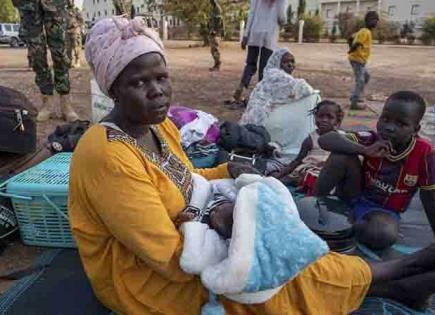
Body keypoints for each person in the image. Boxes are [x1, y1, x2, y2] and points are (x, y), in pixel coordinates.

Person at [70, 17, 435, 315]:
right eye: (139, 82)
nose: (157, 91)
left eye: (161, 77)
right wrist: (230, 233)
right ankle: (394, 273)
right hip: (145, 281)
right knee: (268, 281)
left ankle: (391, 280)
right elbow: (166, 258)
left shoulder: (157, 125)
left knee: (279, 247)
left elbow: (184, 179)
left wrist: (230, 172)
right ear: (112, 90)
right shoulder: (105, 155)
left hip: (188, 230)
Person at [315, 91, 435, 251]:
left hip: (382, 211)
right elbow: (325, 139)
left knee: (383, 233)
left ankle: (339, 224)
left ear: (415, 129)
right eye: (385, 119)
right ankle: (314, 205)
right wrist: (364, 150)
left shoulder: (424, 153)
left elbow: (429, 196)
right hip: (353, 194)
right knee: (341, 156)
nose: (389, 128)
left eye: (401, 124)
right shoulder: (372, 138)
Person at [11, 0, 79, 123]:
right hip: (28, 5)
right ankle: (47, 104)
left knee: (60, 53)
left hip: (55, 4)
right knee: (36, 56)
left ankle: (65, 104)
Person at [271, 100, 344, 190]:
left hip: (328, 170)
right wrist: (280, 174)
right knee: (285, 181)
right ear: (315, 117)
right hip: (310, 169)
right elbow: (298, 160)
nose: (324, 120)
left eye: (330, 117)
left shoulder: (342, 138)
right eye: (320, 116)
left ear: (337, 121)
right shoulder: (311, 139)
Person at [230, 0, 289, 107]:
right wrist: (283, 23)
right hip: (270, 34)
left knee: (250, 64)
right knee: (265, 68)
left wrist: (245, 35)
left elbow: (251, 14)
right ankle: (261, 96)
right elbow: (281, 17)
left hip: (254, 33)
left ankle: (241, 87)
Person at [239, 48, 315, 126]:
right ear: (277, 63)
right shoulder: (278, 76)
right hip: (264, 122)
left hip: (252, 120)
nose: (290, 65)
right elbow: (306, 89)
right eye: (285, 62)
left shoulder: (269, 76)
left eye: (292, 61)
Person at [348, 11, 379, 110]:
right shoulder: (365, 32)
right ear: (368, 21)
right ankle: (354, 102)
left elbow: (350, 38)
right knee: (360, 81)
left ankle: (354, 96)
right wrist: (351, 50)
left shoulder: (363, 31)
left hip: (360, 60)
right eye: (374, 20)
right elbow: (356, 43)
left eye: (376, 20)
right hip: (357, 60)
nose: (376, 23)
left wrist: (351, 47)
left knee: (366, 77)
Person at [65, 0, 84, 69]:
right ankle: (69, 62)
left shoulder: (76, 10)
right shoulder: (65, 11)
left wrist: (77, 25)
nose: (69, 2)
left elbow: (81, 20)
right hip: (67, 31)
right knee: (68, 48)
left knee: (76, 47)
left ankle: (77, 61)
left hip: (75, 31)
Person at [208, 0, 224, 72]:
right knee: (213, 49)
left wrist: (215, 30)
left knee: (215, 49)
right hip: (212, 32)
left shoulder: (217, 9)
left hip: (216, 32)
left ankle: (218, 64)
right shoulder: (213, 9)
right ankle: (216, 63)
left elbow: (219, 21)